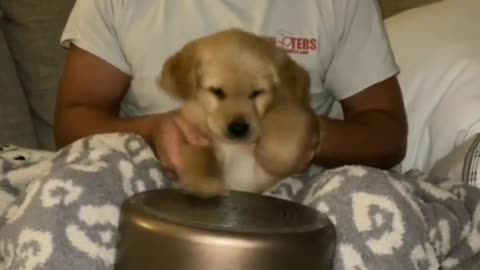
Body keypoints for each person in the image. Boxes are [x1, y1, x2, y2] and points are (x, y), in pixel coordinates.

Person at [2, 1, 479, 270]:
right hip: (147, 175)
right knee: (80, 176)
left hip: (299, 187)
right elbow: (75, 119)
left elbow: (387, 133)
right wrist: (152, 131)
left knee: (372, 194)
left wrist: (310, 136)